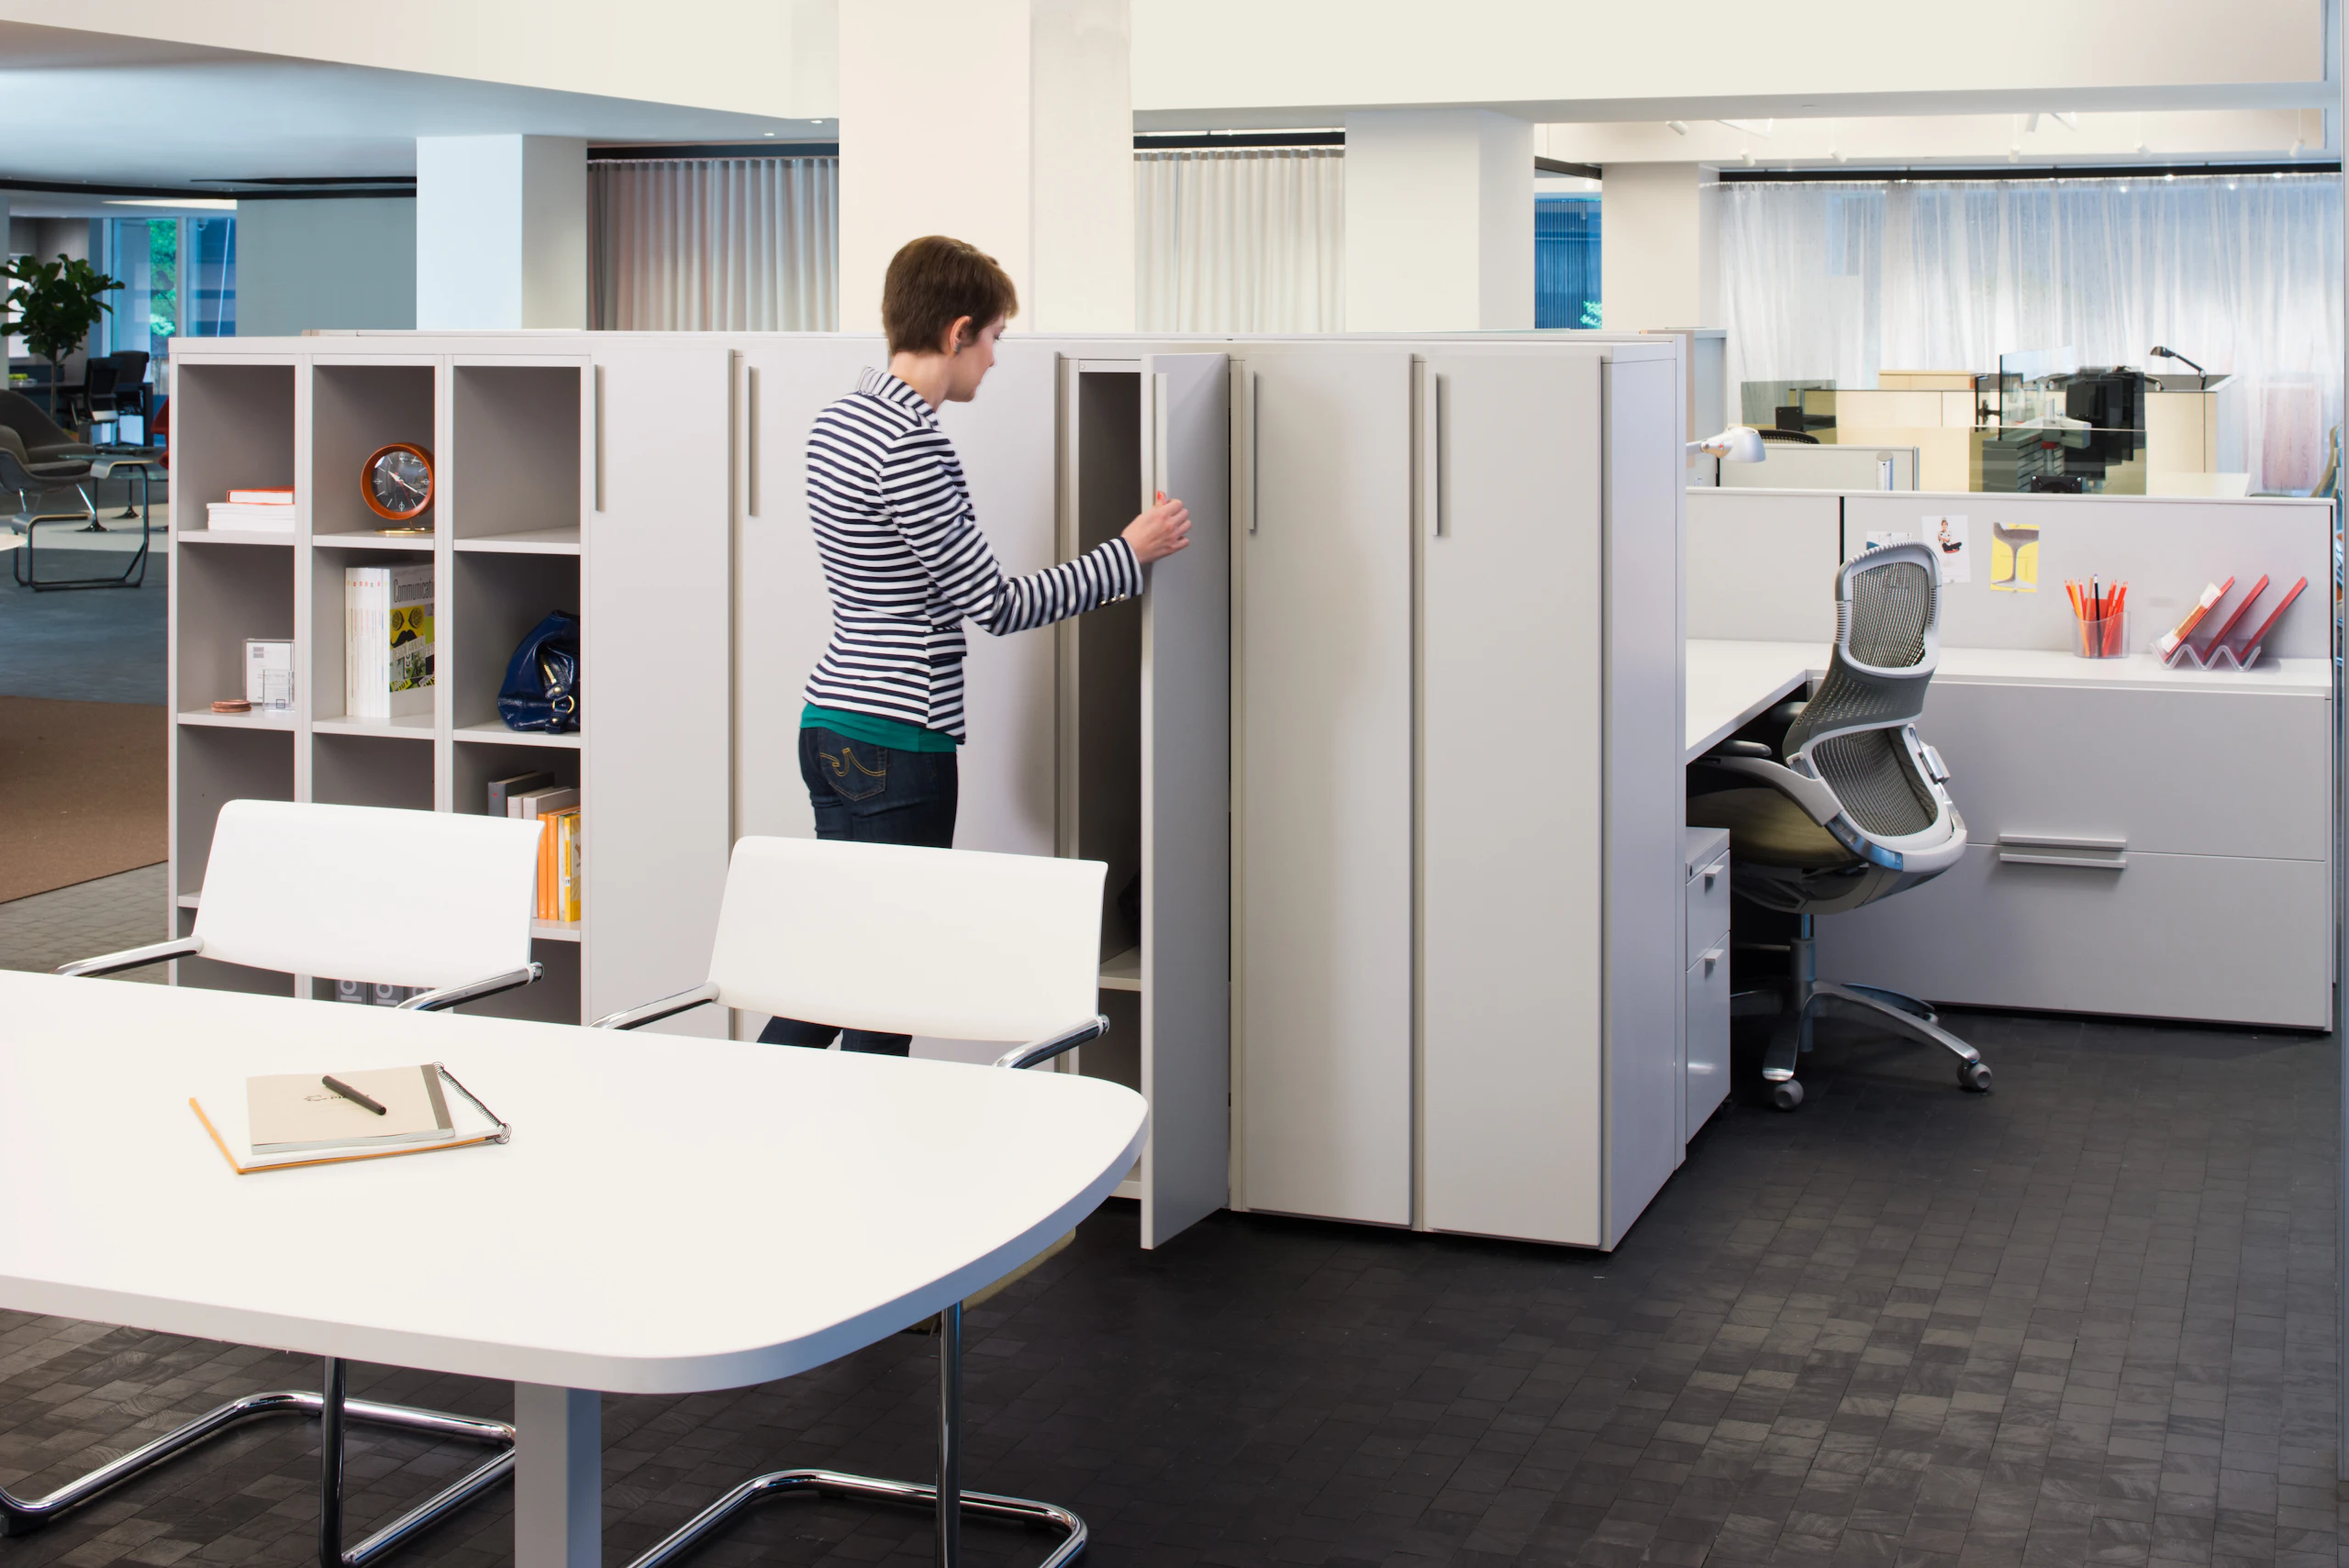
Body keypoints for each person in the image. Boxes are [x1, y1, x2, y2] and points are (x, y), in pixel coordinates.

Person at [761, 235, 1192, 1054]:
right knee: (888, 987)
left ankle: (758, 1141)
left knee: (836, 967)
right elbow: (994, 603)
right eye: (994, 338)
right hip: (896, 741)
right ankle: (845, 1164)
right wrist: (1128, 555)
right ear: (958, 332)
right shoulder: (911, 446)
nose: (994, 362)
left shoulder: (838, 422)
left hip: (831, 725)